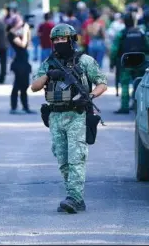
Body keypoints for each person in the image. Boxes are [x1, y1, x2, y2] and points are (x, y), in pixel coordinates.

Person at [30, 23, 107, 214]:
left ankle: (75, 197)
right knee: (62, 159)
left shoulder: (85, 61)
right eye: (55, 40)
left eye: (62, 39)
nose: (58, 43)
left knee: (76, 158)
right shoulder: (49, 63)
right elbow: (34, 86)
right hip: (56, 116)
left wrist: (89, 97)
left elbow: (102, 83)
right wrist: (48, 75)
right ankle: (72, 195)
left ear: (71, 40)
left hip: (77, 115)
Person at [110, 12, 149, 114]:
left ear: (124, 22)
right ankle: (137, 106)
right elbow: (148, 46)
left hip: (126, 62)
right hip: (139, 62)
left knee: (124, 85)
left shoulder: (122, 33)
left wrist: (112, 62)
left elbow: (114, 49)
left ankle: (124, 107)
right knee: (138, 83)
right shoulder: (141, 32)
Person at [7, 16, 36, 114]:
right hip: (18, 63)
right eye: (20, 22)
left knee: (25, 85)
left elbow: (28, 43)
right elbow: (23, 44)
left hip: (24, 62)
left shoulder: (18, 33)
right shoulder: (11, 34)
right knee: (17, 85)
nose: (22, 24)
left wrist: (27, 31)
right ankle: (13, 107)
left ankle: (25, 107)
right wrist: (25, 30)